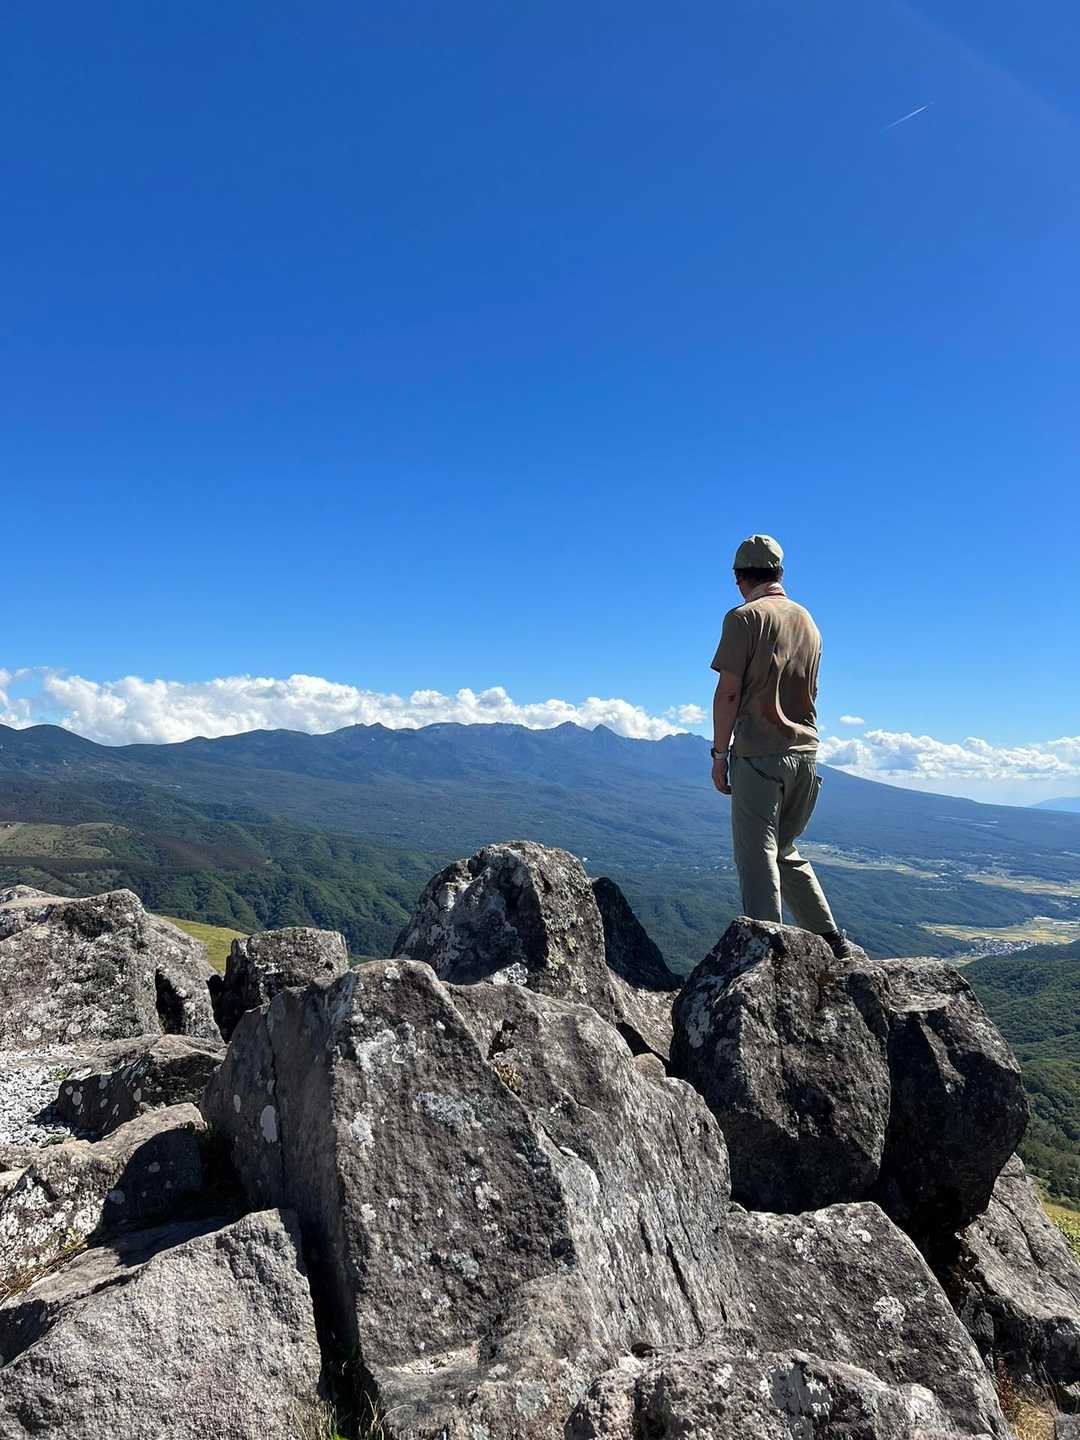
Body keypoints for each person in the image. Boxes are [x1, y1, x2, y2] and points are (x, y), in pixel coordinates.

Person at [709, 533, 851, 958]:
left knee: (756, 857)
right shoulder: (808, 621)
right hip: (805, 755)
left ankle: (767, 955)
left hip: (760, 752)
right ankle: (830, 939)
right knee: (784, 850)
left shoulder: (744, 618)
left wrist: (720, 755)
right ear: (780, 573)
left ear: (739, 577)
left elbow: (729, 692)